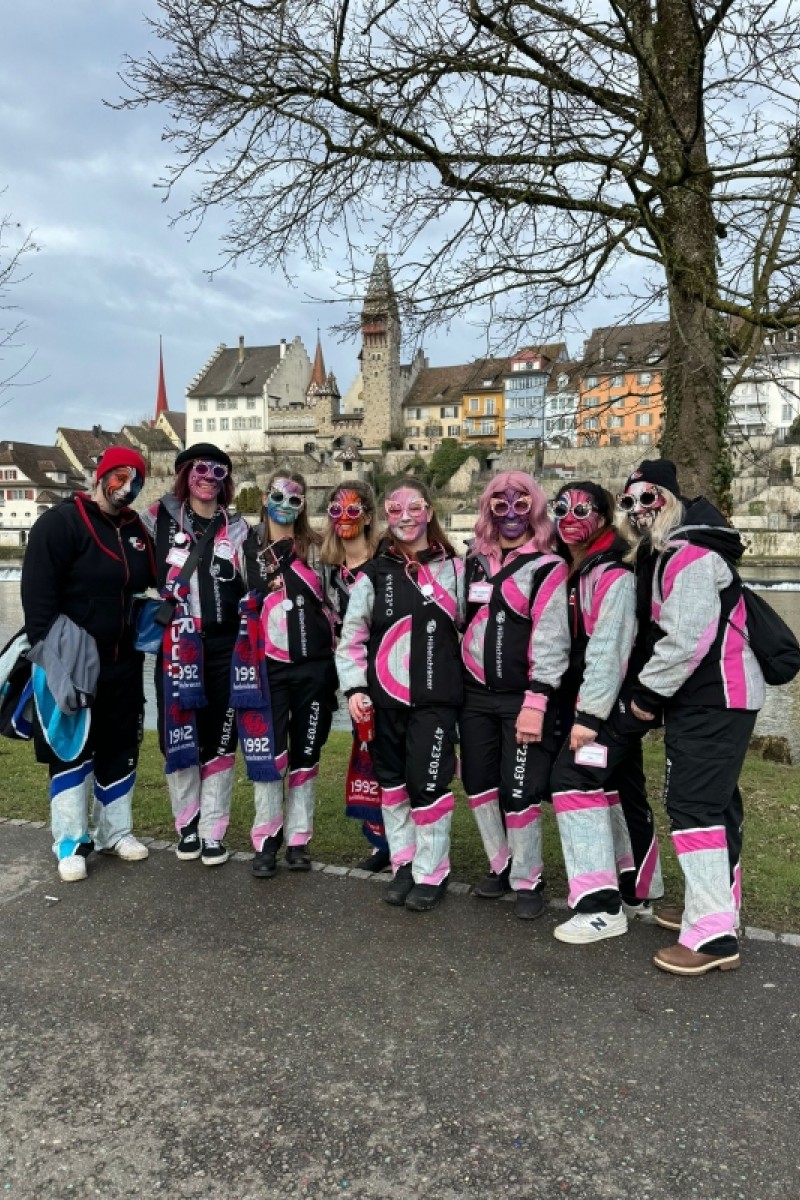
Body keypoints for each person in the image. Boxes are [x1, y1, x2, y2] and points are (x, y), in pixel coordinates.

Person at [616, 459, 765, 976]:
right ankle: (716, 906)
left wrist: (645, 698)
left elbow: (686, 639)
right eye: (629, 502)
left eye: (649, 498)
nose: (638, 509)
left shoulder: (692, 555)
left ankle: (713, 936)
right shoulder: (672, 553)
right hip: (712, 697)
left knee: (693, 805)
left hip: (714, 698)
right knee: (716, 804)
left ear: (671, 501)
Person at [21, 446, 154, 882]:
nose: (127, 487)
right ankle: (71, 842)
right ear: (100, 476)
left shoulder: (137, 530)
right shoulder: (60, 523)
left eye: (136, 480)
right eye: (120, 477)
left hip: (124, 661)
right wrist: (51, 655)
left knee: (121, 745)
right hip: (71, 660)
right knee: (71, 747)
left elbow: (148, 584)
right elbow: (37, 600)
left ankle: (115, 832)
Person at [336, 477, 464, 913]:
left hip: (436, 702)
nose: (405, 517)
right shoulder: (374, 573)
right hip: (384, 701)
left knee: (428, 786)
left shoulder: (456, 569)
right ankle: (404, 864)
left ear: (429, 511)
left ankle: (432, 871)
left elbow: (472, 631)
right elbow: (352, 637)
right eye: (394, 509)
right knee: (392, 785)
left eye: (414, 508)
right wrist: (354, 687)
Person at [548, 481, 664, 946]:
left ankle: (598, 907)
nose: (569, 518)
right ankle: (638, 890)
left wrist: (590, 717)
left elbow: (610, 650)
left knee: (572, 779)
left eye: (582, 510)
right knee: (620, 785)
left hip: (610, 700)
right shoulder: (580, 568)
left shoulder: (612, 571)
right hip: (607, 698)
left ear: (602, 515)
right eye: (561, 508)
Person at [460, 471, 570, 919]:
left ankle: (528, 876)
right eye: (500, 504)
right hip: (473, 697)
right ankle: (500, 864)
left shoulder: (548, 566)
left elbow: (551, 637)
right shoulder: (474, 561)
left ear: (535, 508)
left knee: (520, 789)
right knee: (478, 783)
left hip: (522, 698)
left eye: (520, 504)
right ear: (488, 507)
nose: (509, 513)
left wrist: (537, 700)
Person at [140, 443, 248, 867]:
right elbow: (123, 554)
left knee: (221, 737)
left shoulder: (238, 527)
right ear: (186, 474)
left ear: (226, 480)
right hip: (177, 644)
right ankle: (187, 824)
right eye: (200, 469)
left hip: (224, 646)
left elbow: (254, 582)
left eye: (218, 471)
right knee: (179, 734)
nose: (208, 478)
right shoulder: (156, 518)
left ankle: (213, 830)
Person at [242, 471, 339, 876]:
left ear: (303, 506)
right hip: (265, 666)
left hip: (313, 667)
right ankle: (266, 839)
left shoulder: (319, 548)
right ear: (265, 497)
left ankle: (299, 839)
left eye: (294, 500)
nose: (285, 504)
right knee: (268, 755)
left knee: (306, 751)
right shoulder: (245, 546)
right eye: (278, 496)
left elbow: (335, 604)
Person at [319, 479, 389, 872]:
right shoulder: (328, 571)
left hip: (389, 671)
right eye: (336, 510)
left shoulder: (388, 561)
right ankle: (380, 839)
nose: (344, 518)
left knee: (393, 755)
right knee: (365, 751)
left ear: (367, 515)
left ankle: (408, 841)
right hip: (352, 676)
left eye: (352, 509)